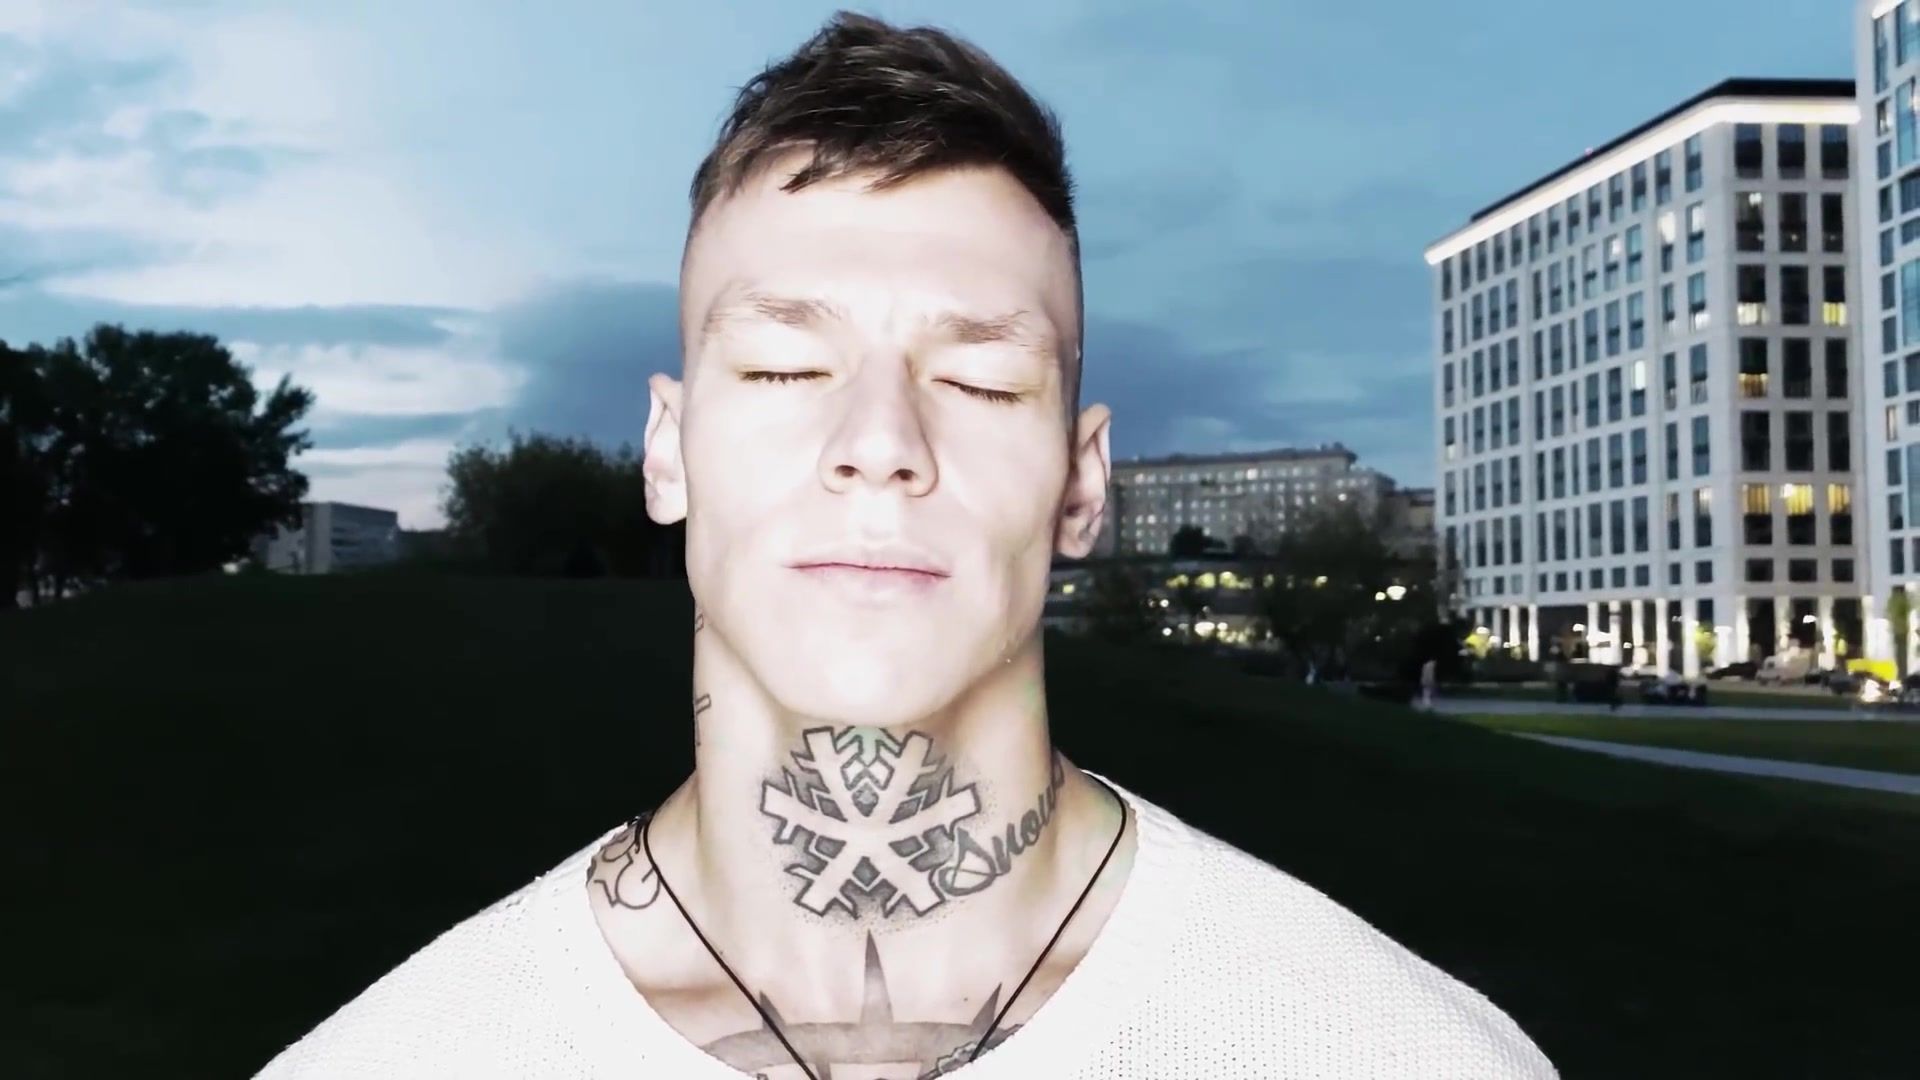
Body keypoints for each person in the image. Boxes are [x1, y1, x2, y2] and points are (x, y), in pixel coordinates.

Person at [256, 12, 1555, 1079]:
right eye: (782, 367)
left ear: (1082, 486)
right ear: (669, 452)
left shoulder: (1400, 1056)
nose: (880, 442)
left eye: (981, 381)